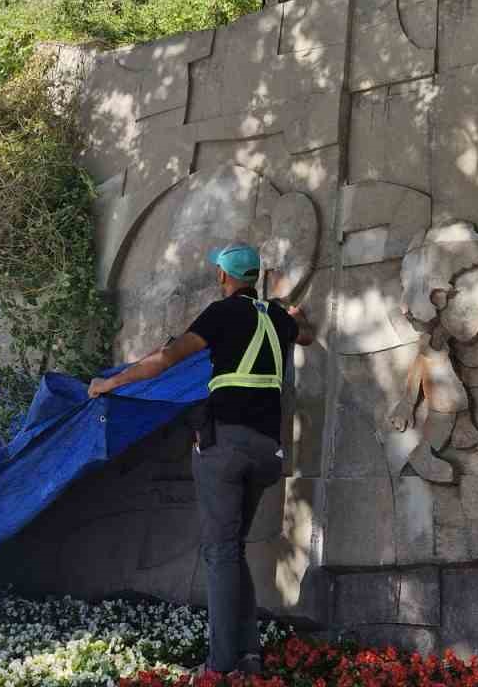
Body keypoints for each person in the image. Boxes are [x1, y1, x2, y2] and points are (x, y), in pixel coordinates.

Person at [88, 244, 315, 676]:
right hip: (268, 452)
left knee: (218, 552)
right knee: (232, 551)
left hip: (225, 448)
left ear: (223, 277)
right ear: (256, 277)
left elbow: (165, 359)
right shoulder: (277, 319)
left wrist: (109, 383)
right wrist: (296, 318)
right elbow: (305, 336)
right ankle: (247, 656)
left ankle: (221, 665)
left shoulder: (221, 313)